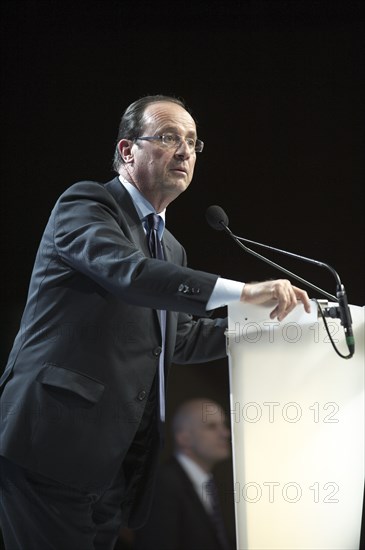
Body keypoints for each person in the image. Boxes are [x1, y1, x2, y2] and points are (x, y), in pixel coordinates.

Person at [0, 94, 311, 550]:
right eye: (168, 137)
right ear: (128, 151)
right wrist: (243, 292)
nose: (185, 151)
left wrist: (268, 329)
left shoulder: (172, 249)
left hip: (116, 463)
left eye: (192, 142)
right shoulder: (87, 203)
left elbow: (178, 339)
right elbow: (128, 273)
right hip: (50, 444)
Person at [134, 398, 235, 550]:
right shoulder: (163, 483)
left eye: (224, 425)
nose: (225, 433)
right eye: (212, 426)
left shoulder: (208, 486)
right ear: (184, 438)